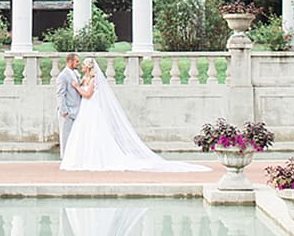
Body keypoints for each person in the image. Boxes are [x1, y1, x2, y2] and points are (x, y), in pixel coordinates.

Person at [59, 57, 209, 173]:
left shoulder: (92, 80)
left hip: (91, 108)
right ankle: (83, 158)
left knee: (95, 133)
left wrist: (77, 88)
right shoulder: (83, 77)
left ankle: (95, 159)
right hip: (85, 110)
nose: (81, 66)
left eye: (83, 64)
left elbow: (87, 94)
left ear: (88, 67)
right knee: (85, 134)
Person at [54, 51, 83, 154]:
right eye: (76, 61)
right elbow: (60, 94)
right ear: (70, 61)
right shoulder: (63, 76)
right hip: (68, 111)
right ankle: (65, 157)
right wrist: (64, 110)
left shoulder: (75, 74)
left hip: (76, 110)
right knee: (65, 136)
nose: (78, 64)